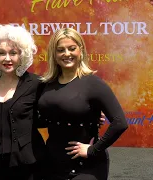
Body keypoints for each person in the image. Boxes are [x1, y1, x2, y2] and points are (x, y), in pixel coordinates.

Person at [38, 28, 128, 180]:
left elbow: (120, 123)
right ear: (54, 54)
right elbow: (42, 120)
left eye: (72, 48)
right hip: (52, 164)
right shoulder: (46, 84)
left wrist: (93, 150)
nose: (67, 54)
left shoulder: (94, 83)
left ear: (81, 50)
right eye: (60, 50)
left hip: (85, 167)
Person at [0, 24, 46, 180]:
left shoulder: (36, 83)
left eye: (13, 53)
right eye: (1, 53)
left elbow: (56, 109)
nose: (7, 58)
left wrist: (89, 117)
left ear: (21, 55)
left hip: (27, 165)